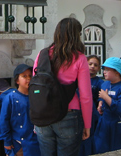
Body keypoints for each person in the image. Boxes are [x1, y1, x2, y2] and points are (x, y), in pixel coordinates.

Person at [33, 17, 92, 156]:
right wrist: (87, 124)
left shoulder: (42, 54)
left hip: (43, 114)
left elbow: (35, 87)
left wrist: (35, 119)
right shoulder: (79, 58)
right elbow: (85, 96)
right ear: (75, 35)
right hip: (69, 113)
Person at [94, 57, 121, 153]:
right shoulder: (105, 84)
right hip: (104, 124)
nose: (104, 72)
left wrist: (106, 98)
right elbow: (101, 98)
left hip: (118, 127)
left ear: (117, 72)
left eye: (107, 70)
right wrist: (100, 103)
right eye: (104, 69)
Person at [0, 64, 41, 156]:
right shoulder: (10, 98)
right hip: (18, 144)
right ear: (17, 80)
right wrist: (6, 141)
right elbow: (4, 121)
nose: (28, 79)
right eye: (24, 76)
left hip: (36, 144)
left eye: (30, 76)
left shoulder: (36, 96)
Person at [79, 55, 104, 156]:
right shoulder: (79, 79)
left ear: (98, 68)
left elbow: (102, 95)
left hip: (93, 113)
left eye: (95, 65)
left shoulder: (99, 82)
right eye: (90, 64)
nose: (92, 66)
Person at [0, 79, 14, 156]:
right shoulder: (19, 93)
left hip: (11, 140)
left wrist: (6, 141)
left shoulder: (3, 98)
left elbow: (3, 122)